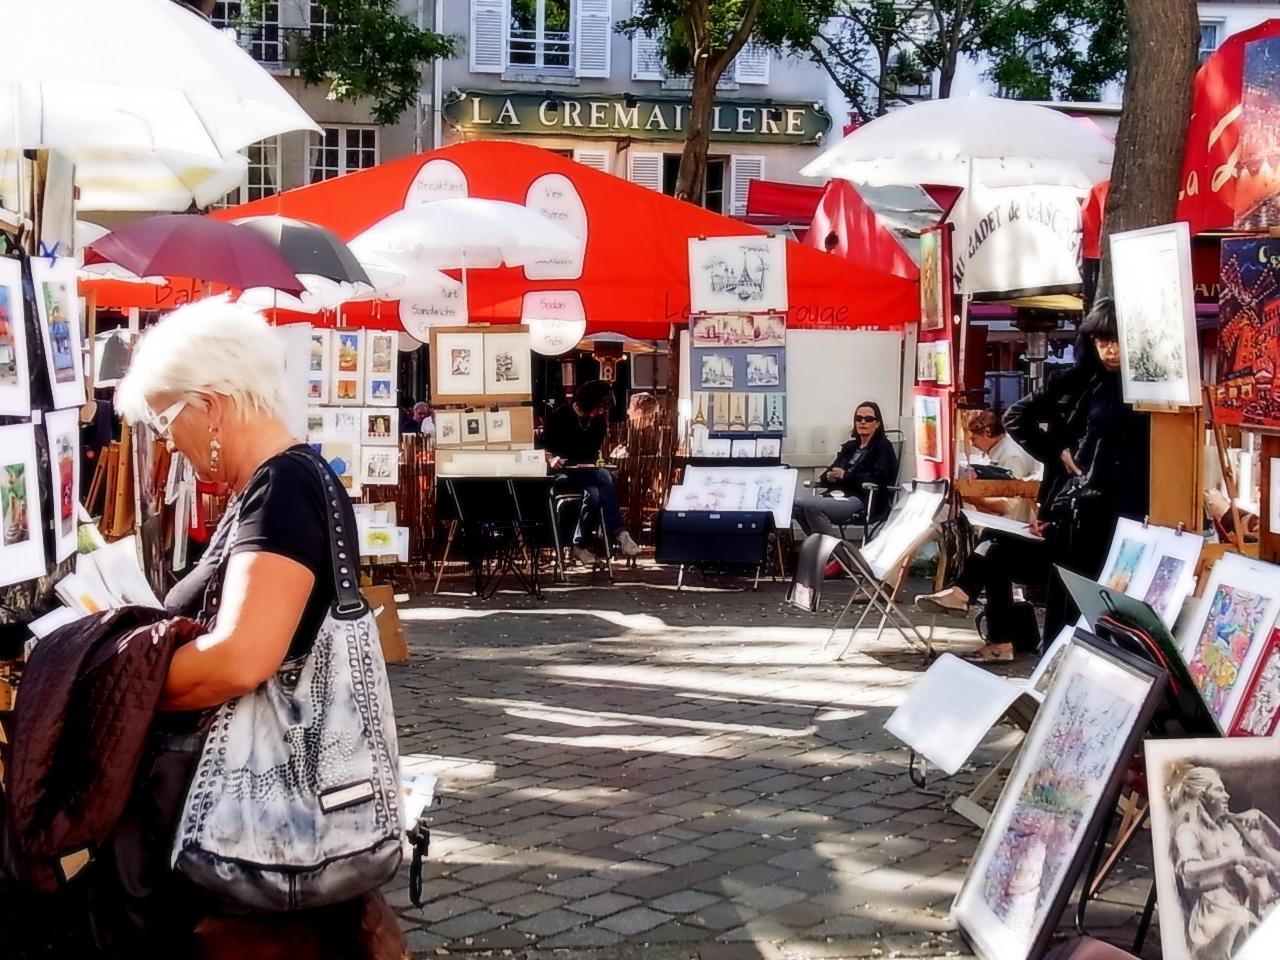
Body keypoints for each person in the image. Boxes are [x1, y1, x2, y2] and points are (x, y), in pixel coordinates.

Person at [108, 298, 402, 958]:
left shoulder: (283, 487)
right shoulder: (273, 486)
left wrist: (120, 676)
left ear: (211, 405)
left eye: (165, 420)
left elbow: (242, 657)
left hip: (258, 826)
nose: (167, 442)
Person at [1004, 297, 1149, 639]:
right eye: (1103, 341)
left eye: (1118, 340)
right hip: (1081, 507)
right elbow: (1016, 416)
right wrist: (1057, 452)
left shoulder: (1148, 384)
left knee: (1118, 607)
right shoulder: (1077, 380)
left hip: (1133, 506)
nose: (1112, 350)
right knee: (1071, 605)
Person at [917, 408, 1046, 662]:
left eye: (974, 435)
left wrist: (974, 497)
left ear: (988, 432)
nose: (972, 440)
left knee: (993, 548)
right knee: (991, 547)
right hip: (1027, 536)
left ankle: (963, 596)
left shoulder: (1013, 455)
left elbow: (1008, 506)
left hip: (1042, 545)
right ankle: (996, 639)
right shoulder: (1013, 454)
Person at [1165, 763, 1280, 959]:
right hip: (1216, 912)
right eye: (1219, 790)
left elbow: (1271, 854)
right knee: (1242, 923)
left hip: (1245, 901)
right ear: (1202, 795)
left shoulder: (1228, 825)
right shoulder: (1188, 829)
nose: (1227, 795)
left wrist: (1261, 819)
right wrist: (1232, 860)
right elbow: (1189, 870)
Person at [542, 379, 641, 564]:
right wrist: (551, 459)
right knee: (602, 476)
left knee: (595, 494)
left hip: (587, 473)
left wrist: (601, 463)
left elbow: (593, 454)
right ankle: (620, 532)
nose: (601, 411)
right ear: (588, 401)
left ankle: (578, 546)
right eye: (599, 407)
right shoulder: (561, 415)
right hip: (562, 472)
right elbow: (543, 448)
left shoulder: (598, 423)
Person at [792, 400, 899, 540]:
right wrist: (829, 477)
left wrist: (846, 476)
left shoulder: (883, 447)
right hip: (838, 495)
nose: (863, 422)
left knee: (812, 506)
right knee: (797, 504)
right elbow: (831, 470)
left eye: (868, 419)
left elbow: (879, 477)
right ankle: (821, 543)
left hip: (863, 499)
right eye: (858, 418)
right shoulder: (850, 447)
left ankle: (833, 549)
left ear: (877, 424)